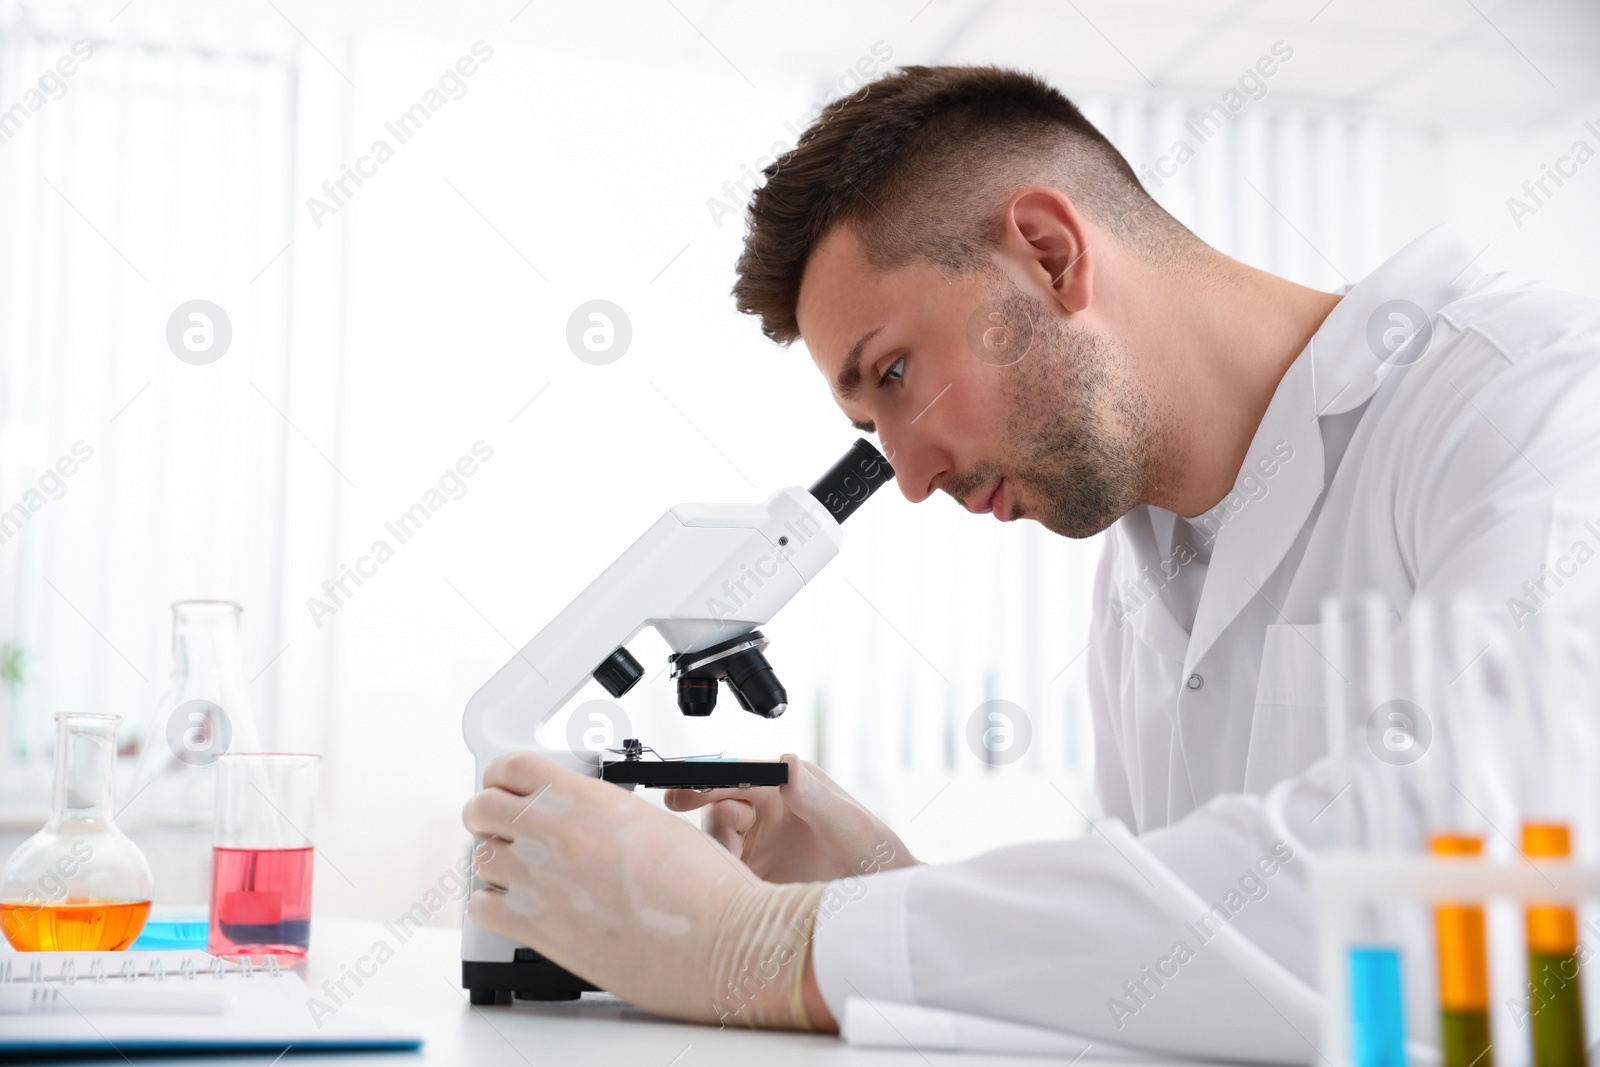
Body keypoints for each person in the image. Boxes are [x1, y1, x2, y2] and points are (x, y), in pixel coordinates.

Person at [462, 65, 1600, 1058]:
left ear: (1049, 254)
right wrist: (877, 886)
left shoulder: (1529, 400)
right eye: (868, 427)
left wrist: (767, 946)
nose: (906, 474)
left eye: (894, 372)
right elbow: (1182, 978)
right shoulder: (1142, 568)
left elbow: (1459, 901)